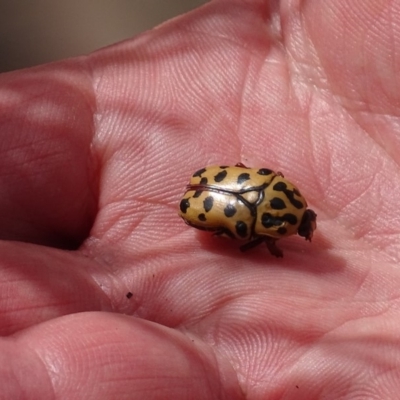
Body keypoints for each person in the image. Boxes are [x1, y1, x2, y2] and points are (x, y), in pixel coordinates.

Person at [1, 1, 399, 398]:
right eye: (301, 224)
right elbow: (256, 233)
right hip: (216, 197)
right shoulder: (272, 222)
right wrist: (267, 246)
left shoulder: (284, 199)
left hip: (218, 189)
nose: (306, 229)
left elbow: (262, 207)